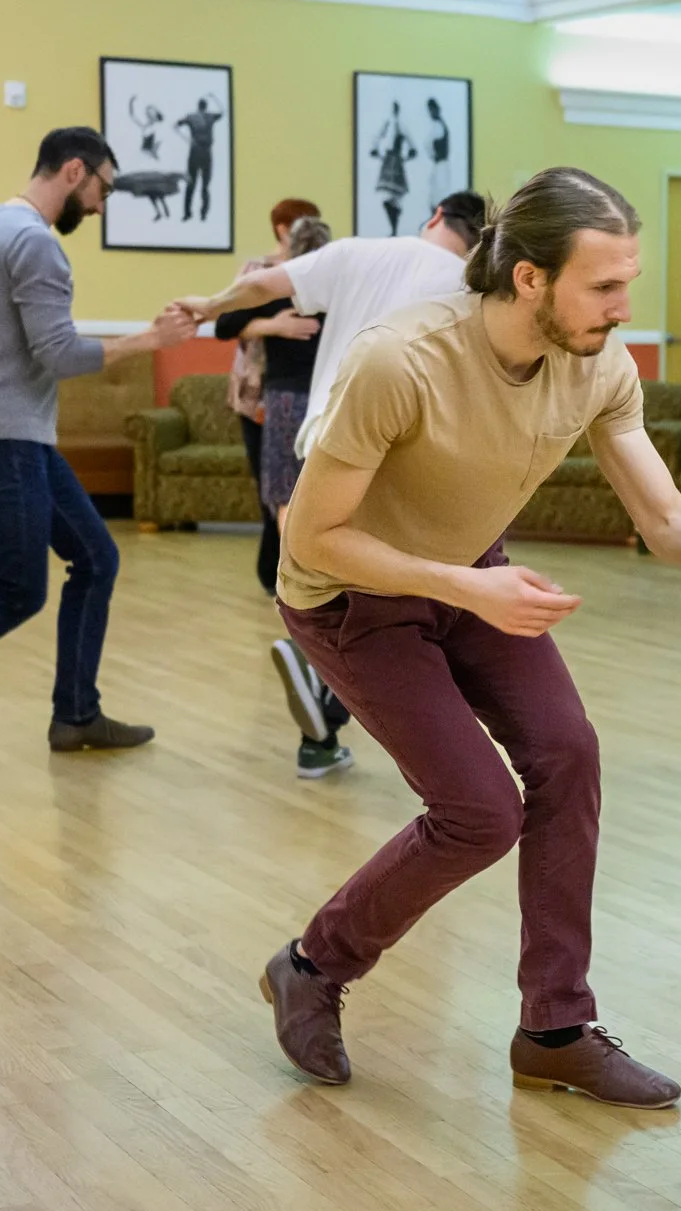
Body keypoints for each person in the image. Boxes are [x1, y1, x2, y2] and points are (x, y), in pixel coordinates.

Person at [256, 166, 681, 1104]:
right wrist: (465, 585)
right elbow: (310, 535)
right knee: (479, 811)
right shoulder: (402, 359)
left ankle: (555, 1024)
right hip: (352, 593)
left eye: (628, 281)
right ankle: (312, 965)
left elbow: (668, 522)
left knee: (568, 754)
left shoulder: (601, 366)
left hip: (473, 572)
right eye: (604, 285)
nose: (624, 307)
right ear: (529, 278)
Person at [0, 127, 196, 770]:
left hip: (5, 434)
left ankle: (76, 716)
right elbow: (60, 354)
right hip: (4, 438)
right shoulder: (36, 244)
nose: (99, 207)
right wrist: (152, 338)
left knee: (96, 558)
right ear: (74, 171)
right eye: (102, 190)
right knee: (17, 592)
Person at [172, 190, 485, 768]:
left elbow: (263, 286)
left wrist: (207, 303)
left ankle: (319, 720)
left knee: (338, 576)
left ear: (435, 216)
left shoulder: (357, 253)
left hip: (324, 441)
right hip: (401, 454)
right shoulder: (474, 287)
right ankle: (330, 685)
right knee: (398, 603)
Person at [215, 216, 347, 777]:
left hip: (299, 402)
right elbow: (230, 323)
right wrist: (274, 323)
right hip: (322, 402)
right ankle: (305, 600)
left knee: (290, 504)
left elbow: (224, 320)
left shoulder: (297, 284)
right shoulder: (324, 288)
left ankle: (299, 599)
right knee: (310, 507)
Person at [228, 197, 322, 597]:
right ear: (283, 229)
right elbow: (230, 324)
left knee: (297, 486)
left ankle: (292, 573)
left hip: (305, 392)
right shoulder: (260, 272)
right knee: (274, 486)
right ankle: (280, 573)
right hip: (258, 394)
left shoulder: (318, 274)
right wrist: (275, 326)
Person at [174, 96, 223, 224]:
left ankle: (188, 213)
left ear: (198, 106)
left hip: (196, 152)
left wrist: (187, 139)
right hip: (205, 152)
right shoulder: (210, 117)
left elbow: (177, 124)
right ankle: (202, 214)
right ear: (205, 106)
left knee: (192, 184)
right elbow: (223, 112)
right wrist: (215, 98)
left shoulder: (192, 117)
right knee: (204, 186)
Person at [370, 103, 417, 236]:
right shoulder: (387, 123)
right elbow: (378, 136)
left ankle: (394, 228)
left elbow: (411, 142)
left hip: (396, 161)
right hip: (388, 160)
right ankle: (393, 228)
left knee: (394, 197)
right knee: (387, 197)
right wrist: (375, 149)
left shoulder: (401, 125)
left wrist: (408, 154)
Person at [425, 98, 451, 211]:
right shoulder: (438, 125)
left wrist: (432, 154)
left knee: (439, 194)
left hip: (441, 164)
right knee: (435, 194)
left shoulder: (438, 125)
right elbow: (427, 144)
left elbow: (427, 143)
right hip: (438, 164)